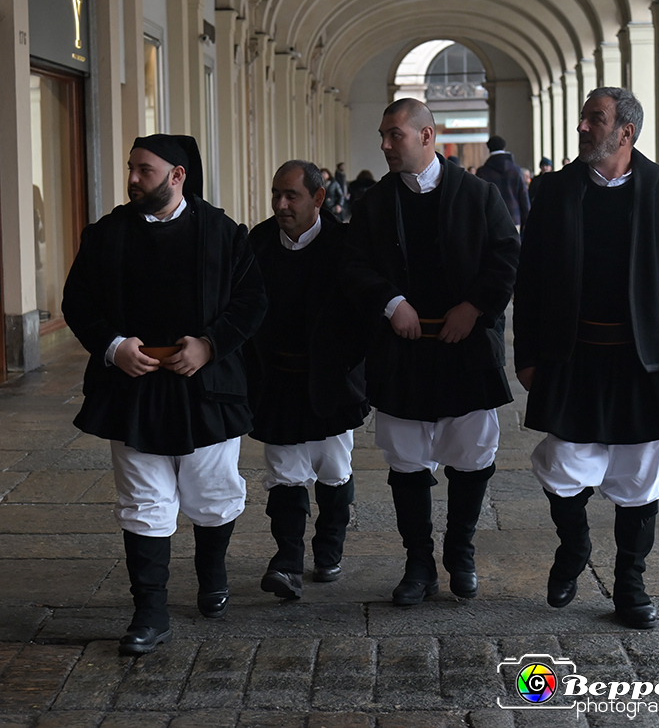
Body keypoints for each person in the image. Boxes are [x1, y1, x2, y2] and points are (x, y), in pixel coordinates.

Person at [513, 88, 659, 630]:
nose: (582, 127)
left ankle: (630, 583)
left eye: (594, 119)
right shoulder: (554, 191)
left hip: (643, 363)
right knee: (562, 468)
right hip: (572, 356)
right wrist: (527, 353)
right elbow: (528, 280)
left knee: (641, 476)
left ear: (625, 132)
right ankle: (574, 545)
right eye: (583, 117)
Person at [62, 134, 267, 656]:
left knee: (212, 493)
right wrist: (112, 347)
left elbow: (252, 301)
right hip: (132, 387)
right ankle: (149, 610)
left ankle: (212, 573)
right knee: (143, 500)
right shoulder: (105, 235)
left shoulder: (223, 234)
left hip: (206, 387)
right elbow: (78, 301)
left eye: (144, 170)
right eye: (131, 168)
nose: (132, 179)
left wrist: (210, 344)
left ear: (178, 175)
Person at [342, 98, 520, 607]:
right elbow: (353, 267)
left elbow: (506, 257)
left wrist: (473, 306)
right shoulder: (375, 204)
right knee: (408, 463)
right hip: (404, 350)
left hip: (466, 349)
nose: (384, 145)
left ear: (426, 136)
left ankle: (459, 551)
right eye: (382, 134)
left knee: (471, 456)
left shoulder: (479, 195)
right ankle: (418, 561)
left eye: (394, 134)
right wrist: (391, 302)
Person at [247, 160, 370, 599]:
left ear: (318, 198)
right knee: (283, 473)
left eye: (291, 195)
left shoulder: (345, 244)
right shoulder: (258, 243)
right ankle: (287, 560)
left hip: (331, 380)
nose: (281, 204)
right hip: (278, 380)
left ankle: (329, 549)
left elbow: (363, 312)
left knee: (333, 470)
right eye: (276, 194)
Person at [475, 135, 530, 231]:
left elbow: (478, 198)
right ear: (504, 148)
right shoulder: (515, 170)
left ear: (489, 149)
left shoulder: (482, 172)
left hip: (490, 219)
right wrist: (527, 220)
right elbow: (523, 196)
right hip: (513, 217)